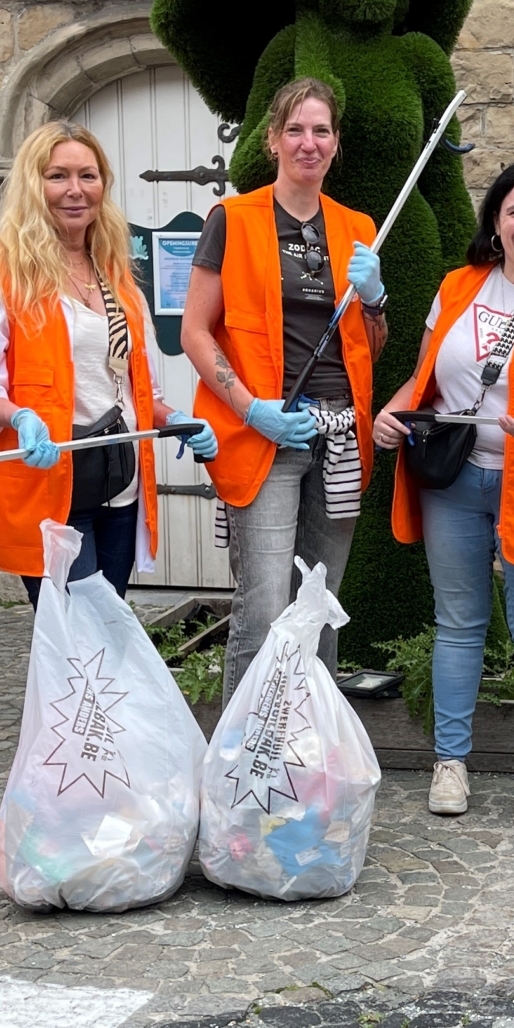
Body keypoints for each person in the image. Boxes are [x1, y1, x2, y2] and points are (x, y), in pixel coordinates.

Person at [377, 159, 514, 816]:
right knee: (459, 623)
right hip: (454, 480)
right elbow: (425, 380)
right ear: (496, 222)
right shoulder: (457, 286)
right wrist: (392, 412)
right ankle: (450, 763)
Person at [0, 121, 218, 602]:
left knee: (107, 636)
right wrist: (20, 416)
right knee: (75, 641)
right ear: (33, 186)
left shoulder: (116, 277)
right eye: (57, 176)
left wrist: (174, 418)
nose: (75, 191)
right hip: (52, 487)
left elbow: (136, 388)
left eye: (88, 176)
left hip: (120, 485)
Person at [181, 77, 389, 702]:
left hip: (339, 436)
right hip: (264, 432)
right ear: (272, 140)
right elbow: (194, 333)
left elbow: (368, 348)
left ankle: (310, 751)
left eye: (320, 130)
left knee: (318, 600)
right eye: (295, 129)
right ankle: (244, 761)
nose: (308, 142)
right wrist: (252, 409)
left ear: (335, 143)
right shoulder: (233, 219)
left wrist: (375, 298)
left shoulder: (357, 227)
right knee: (266, 602)